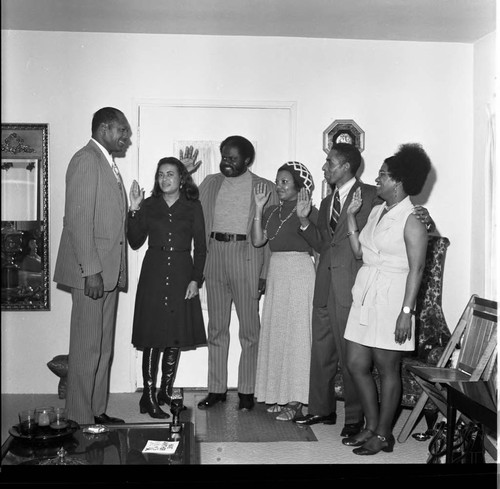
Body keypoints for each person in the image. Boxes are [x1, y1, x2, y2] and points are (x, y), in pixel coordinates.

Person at [294, 143, 433, 437]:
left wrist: (406, 312)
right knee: (339, 358)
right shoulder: (351, 204)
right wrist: (326, 218)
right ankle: (346, 418)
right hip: (346, 288)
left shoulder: (393, 207)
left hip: (377, 293)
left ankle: (369, 427)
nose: (324, 167)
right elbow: (341, 246)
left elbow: (414, 256)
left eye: (329, 162)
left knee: (370, 364)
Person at [342, 143, 431, 455]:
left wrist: (406, 312)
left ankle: (382, 434)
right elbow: (359, 252)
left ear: (398, 181)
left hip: (394, 298)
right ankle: (370, 425)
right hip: (366, 293)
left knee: (386, 367)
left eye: (382, 175)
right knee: (355, 362)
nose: (376, 180)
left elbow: (417, 269)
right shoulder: (378, 211)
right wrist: (352, 219)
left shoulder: (413, 219)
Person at [54, 107, 131, 425]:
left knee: (102, 348)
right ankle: (79, 418)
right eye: (122, 131)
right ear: (104, 129)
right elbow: (78, 220)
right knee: (86, 349)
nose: (126, 138)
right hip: (93, 274)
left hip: (107, 273)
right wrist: (92, 271)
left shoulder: (107, 163)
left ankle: (97, 410)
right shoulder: (86, 160)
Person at [193, 136, 279, 411]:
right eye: (224, 157)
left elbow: (272, 233)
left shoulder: (266, 187)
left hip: (247, 257)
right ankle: (216, 389)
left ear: (247, 160)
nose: (226, 163)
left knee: (250, 330)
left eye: (232, 158)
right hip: (215, 255)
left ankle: (247, 390)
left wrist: (264, 272)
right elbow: (189, 210)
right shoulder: (210, 183)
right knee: (216, 328)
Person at [127, 157, 207, 419]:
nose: (164, 179)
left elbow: (202, 248)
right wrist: (135, 209)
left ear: (181, 178)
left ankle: (165, 391)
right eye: (160, 174)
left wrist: (196, 279)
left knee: (175, 334)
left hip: (183, 272)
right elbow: (135, 241)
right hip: (154, 271)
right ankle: (148, 396)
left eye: (170, 174)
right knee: (152, 334)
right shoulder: (149, 205)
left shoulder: (193, 207)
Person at [251, 162, 318, 421]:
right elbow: (258, 240)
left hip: (301, 273)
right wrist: (258, 208)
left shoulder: (310, 210)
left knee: (299, 337)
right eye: (278, 181)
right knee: (278, 334)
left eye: (285, 182)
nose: (278, 186)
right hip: (278, 273)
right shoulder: (270, 211)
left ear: (300, 187)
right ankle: (280, 394)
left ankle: (297, 400)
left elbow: (319, 248)